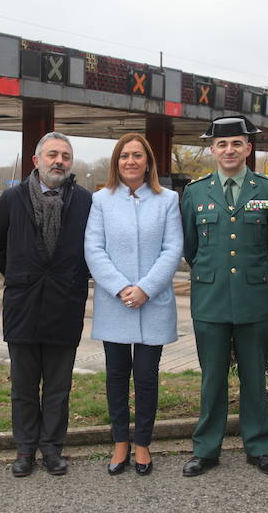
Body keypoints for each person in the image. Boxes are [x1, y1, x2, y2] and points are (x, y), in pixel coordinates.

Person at [180, 116, 268, 478]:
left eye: (236, 143)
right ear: (212, 150)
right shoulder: (195, 192)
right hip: (210, 299)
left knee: (255, 379)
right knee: (213, 379)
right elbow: (191, 249)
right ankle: (206, 449)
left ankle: (258, 447)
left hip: (253, 298)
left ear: (248, 148)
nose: (229, 150)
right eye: (222, 144)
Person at [0, 131, 92, 477]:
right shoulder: (11, 200)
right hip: (23, 306)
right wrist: (19, 274)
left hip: (65, 305)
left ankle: (52, 449)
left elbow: (95, 248)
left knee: (59, 388)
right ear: (36, 161)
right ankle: (25, 449)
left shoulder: (85, 202)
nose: (59, 161)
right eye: (52, 155)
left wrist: (76, 277)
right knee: (24, 387)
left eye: (65, 156)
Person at [83, 133, 182, 476]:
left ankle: (142, 443)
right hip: (115, 302)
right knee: (116, 376)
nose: (130, 161)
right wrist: (122, 287)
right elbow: (94, 249)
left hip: (152, 303)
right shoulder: (101, 200)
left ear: (148, 162)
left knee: (146, 378)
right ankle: (119, 442)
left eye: (137, 155)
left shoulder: (167, 199)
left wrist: (146, 289)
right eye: (124, 156)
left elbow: (172, 249)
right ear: (116, 161)